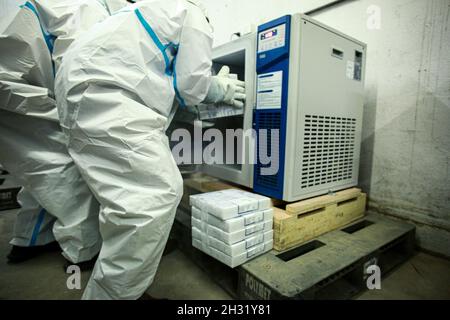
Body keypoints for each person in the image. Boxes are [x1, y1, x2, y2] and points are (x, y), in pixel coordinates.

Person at [56, 0, 245, 299]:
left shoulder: (148, 11)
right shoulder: (193, 14)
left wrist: (195, 111)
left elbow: (161, 82)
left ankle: (124, 286)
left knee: (125, 199)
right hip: (107, 96)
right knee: (154, 196)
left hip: (80, 92)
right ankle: (116, 294)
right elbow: (191, 86)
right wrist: (220, 88)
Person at [0, 0, 128, 264]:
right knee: (68, 170)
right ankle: (84, 252)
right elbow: (84, 72)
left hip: (14, 93)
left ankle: (30, 240)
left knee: (39, 168)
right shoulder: (89, 10)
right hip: (17, 97)